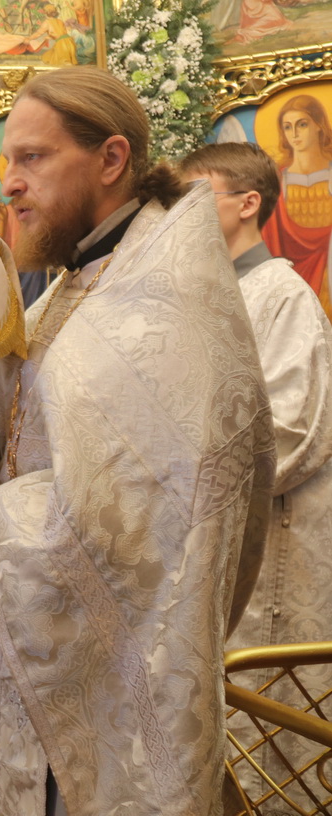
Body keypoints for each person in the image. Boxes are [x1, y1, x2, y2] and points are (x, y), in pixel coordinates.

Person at [0, 67, 275, 815]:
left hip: (114, 678)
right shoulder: (75, 284)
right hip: (37, 637)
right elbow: (21, 449)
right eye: (7, 160)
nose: (10, 183)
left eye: (33, 157)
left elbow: (155, 506)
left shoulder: (167, 297)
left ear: (110, 159)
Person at [180, 141, 332, 792]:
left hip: (267, 540)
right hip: (204, 537)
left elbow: (292, 430)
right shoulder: (205, 294)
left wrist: (181, 462)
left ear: (247, 204)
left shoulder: (280, 294)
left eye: (195, 196)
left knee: (263, 712)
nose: (179, 212)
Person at [261, 93, 332, 321]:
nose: (294, 134)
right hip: (293, 280)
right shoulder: (278, 181)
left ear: (319, 125)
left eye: (302, 124)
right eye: (287, 127)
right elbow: (270, 239)